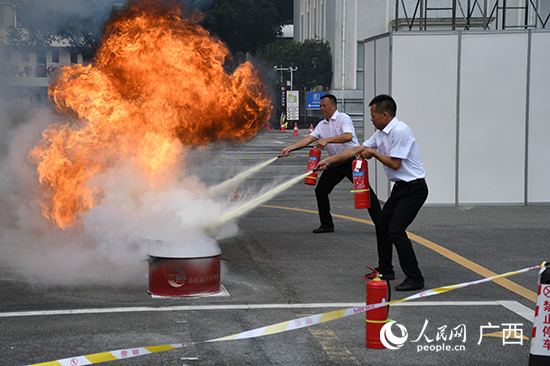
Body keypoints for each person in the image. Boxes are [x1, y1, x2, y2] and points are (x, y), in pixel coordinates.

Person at [317, 94, 428, 291]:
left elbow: (395, 163)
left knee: (396, 230)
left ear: (385, 114)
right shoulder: (381, 133)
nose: (371, 119)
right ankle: (385, 270)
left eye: (373, 115)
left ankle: (415, 277)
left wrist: (374, 154)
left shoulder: (400, 131)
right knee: (382, 224)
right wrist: (328, 161)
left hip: (414, 189)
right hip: (400, 188)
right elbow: (355, 150)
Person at [280, 94, 381, 233]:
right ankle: (327, 224)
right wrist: (289, 148)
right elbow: (308, 139)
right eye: (320, 106)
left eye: (324, 105)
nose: (322, 108)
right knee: (321, 191)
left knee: (366, 192)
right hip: (334, 163)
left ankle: (381, 224)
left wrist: (327, 140)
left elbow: (348, 136)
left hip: (351, 161)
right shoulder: (321, 125)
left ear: (333, 106)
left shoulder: (343, 118)